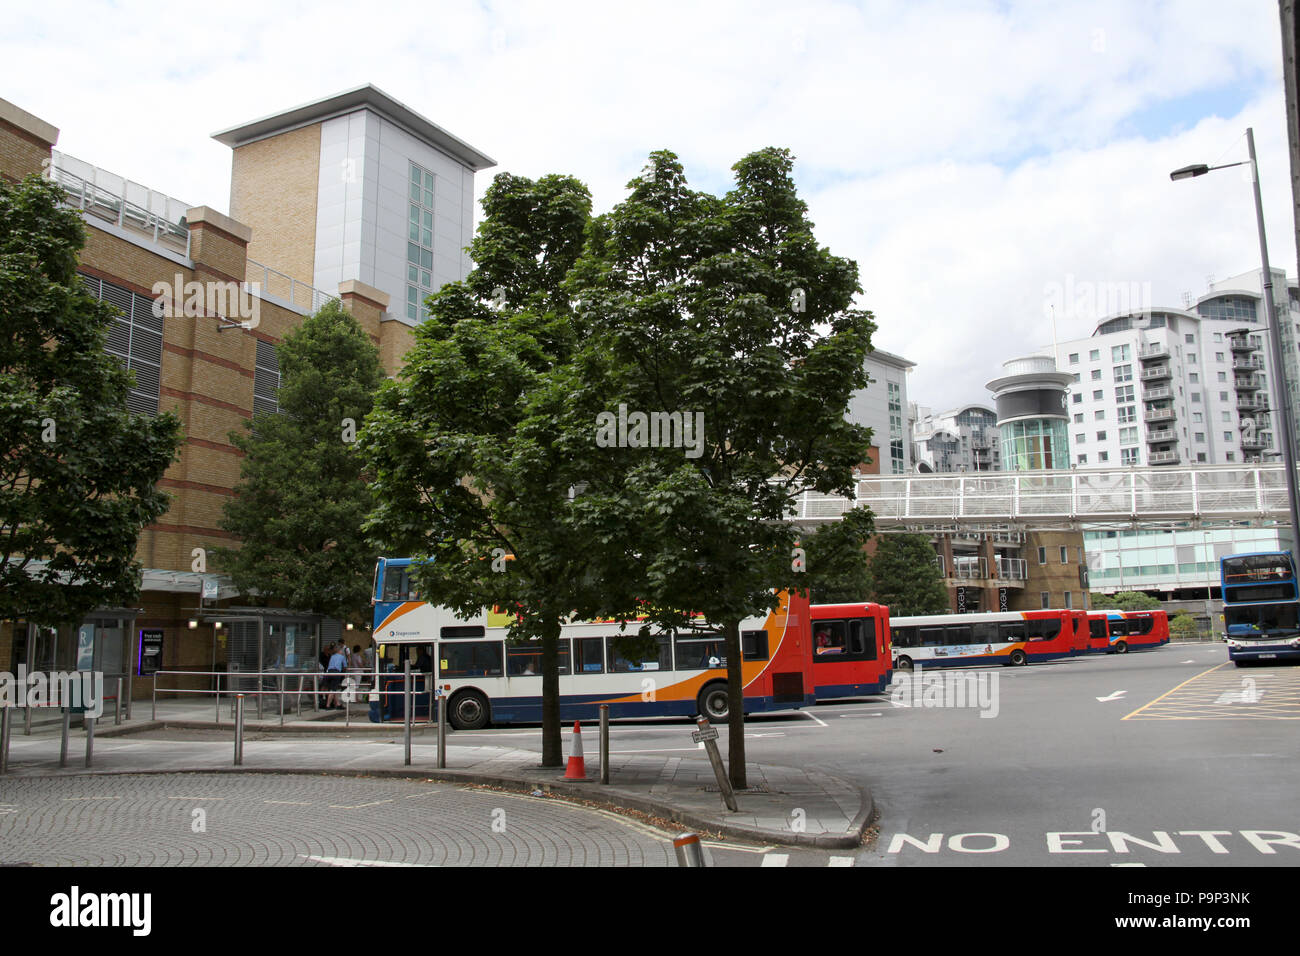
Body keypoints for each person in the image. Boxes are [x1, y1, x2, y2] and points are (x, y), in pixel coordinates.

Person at [325, 642, 348, 709]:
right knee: (333, 690)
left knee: (333, 689)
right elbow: (345, 666)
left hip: (329, 672)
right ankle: (328, 705)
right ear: (339, 651)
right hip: (336, 672)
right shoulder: (342, 657)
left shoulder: (332, 656)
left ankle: (338, 704)